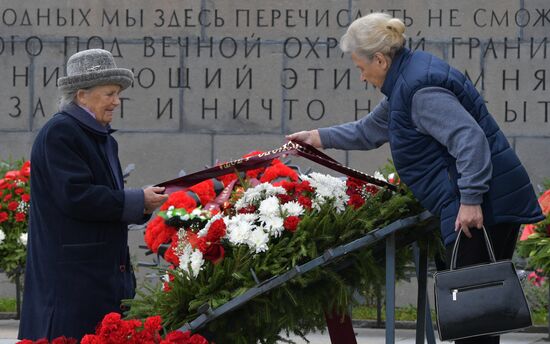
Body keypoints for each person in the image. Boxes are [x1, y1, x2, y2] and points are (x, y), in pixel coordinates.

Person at [287, 13, 544, 344]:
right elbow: (369, 130)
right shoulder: (407, 80)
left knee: (476, 316)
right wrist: (315, 137)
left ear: (380, 59)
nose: (362, 76)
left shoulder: (419, 89)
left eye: (360, 66)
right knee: (472, 315)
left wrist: (470, 199)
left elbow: (470, 140)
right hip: (473, 204)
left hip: (483, 209)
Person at [18, 49, 168, 340]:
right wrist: (137, 200)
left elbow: (104, 200)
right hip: (70, 287)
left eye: (117, 93)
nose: (117, 101)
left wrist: (142, 204)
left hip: (93, 281)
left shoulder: (100, 138)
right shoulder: (60, 133)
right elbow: (77, 196)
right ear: (82, 95)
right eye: (109, 93)